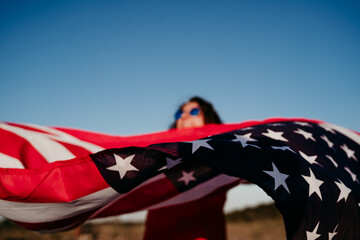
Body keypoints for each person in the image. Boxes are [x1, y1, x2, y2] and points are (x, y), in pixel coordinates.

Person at [143, 96, 228, 240]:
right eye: (179, 113)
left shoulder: (223, 151)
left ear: (208, 118)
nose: (183, 116)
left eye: (194, 111)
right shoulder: (160, 154)